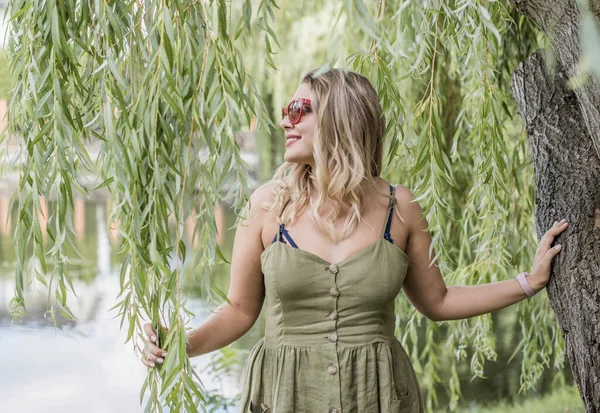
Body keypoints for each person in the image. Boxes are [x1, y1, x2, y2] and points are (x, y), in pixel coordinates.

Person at [141, 68, 568, 413]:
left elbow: (437, 301)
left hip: (379, 395)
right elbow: (239, 310)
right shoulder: (268, 206)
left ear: (339, 119)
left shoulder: (400, 208)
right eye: (288, 108)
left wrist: (528, 282)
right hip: (287, 394)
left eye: (299, 108)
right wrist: (178, 344)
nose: (285, 119)